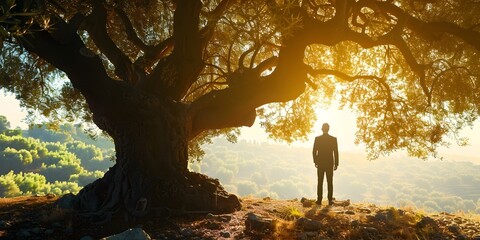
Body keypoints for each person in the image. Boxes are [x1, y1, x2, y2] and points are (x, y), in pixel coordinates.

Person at [312, 123, 339, 206]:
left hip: (320, 163)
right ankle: (330, 200)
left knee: (320, 181)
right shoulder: (333, 139)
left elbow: (314, 151)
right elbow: (336, 152)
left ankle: (319, 200)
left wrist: (316, 161)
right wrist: (336, 164)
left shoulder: (317, 139)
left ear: (322, 129)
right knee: (329, 182)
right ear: (328, 129)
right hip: (330, 163)